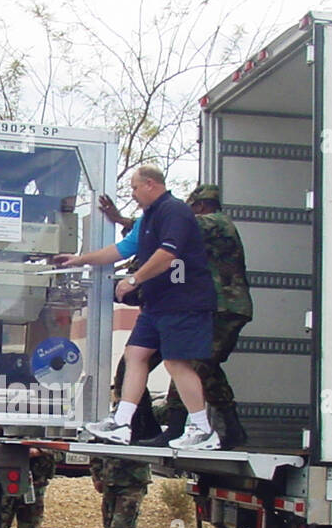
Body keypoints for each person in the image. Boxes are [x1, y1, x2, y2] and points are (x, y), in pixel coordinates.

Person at [54, 165, 219, 450]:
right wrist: (79, 260)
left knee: (176, 362)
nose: (132, 194)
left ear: (151, 184)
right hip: (157, 305)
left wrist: (134, 279)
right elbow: (121, 249)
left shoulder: (175, 211)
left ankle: (203, 430)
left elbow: (168, 255)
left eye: (134, 187)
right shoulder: (148, 218)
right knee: (135, 354)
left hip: (183, 301)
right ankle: (122, 423)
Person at [96, 187, 252, 449]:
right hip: (207, 308)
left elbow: (170, 229)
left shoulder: (217, 223)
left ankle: (179, 428)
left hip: (224, 308)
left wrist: (126, 222)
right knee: (195, 366)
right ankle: (145, 427)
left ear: (200, 207)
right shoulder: (201, 229)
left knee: (189, 364)